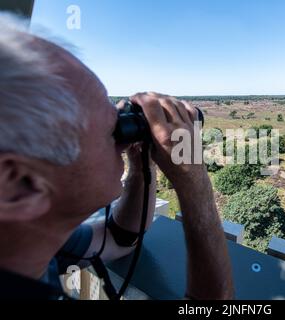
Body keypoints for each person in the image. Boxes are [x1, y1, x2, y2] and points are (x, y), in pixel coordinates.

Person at [0, 15, 234, 300]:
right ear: (19, 183)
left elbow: (119, 238)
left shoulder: (27, 242)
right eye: (110, 130)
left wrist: (140, 163)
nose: (121, 141)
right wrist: (194, 181)